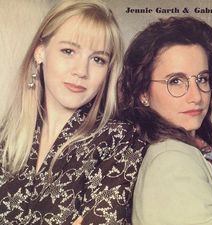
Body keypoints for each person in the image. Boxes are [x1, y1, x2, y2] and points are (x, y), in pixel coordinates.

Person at [0, 0, 147, 224]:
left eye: (98, 59)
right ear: (40, 52)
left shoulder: (121, 140)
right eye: (68, 51)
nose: (81, 71)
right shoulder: (6, 134)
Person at [119, 16, 212, 225]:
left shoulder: (186, 149)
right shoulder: (172, 160)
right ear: (143, 92)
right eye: (175, 81)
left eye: (202, 79)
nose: (196, 96)